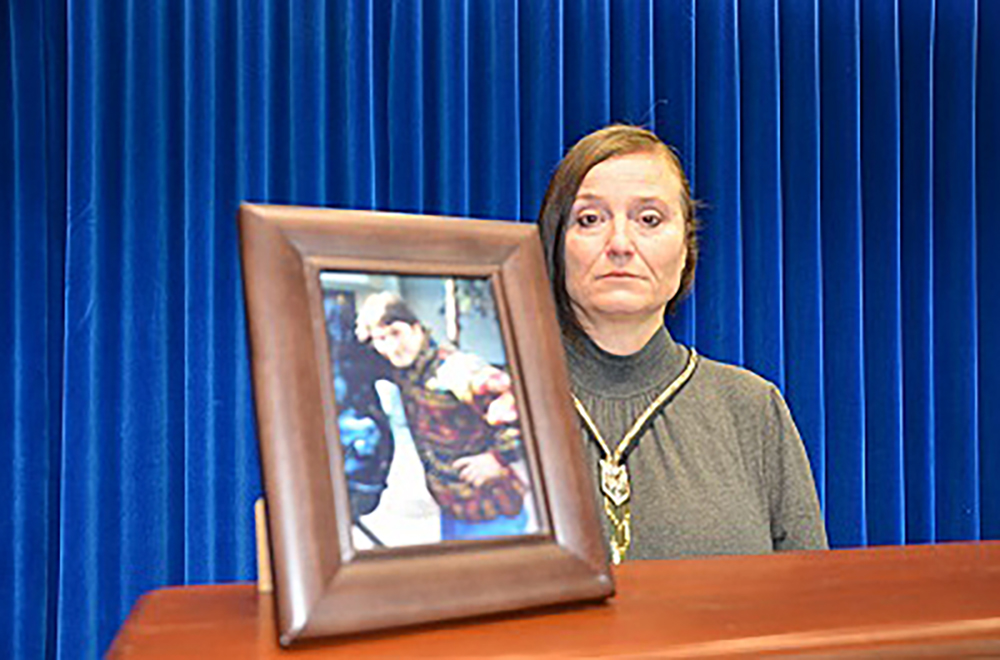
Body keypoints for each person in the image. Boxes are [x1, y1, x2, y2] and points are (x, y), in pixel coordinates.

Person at [538, 124, 828, 563]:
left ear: (686, 247)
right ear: (556, 245)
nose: (619, 244)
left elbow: (812, 607)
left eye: (649, 219)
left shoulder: (752, 408)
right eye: (590, 219)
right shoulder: (498, 408)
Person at [354, 291, 529, 541]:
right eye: (381, 339)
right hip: (452, 509)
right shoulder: (404, 370)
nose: (392, 346)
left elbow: (524, 403)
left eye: (396, 333)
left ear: (415, 328)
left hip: (493, 512)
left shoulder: (455, 369)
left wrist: (499, 459)